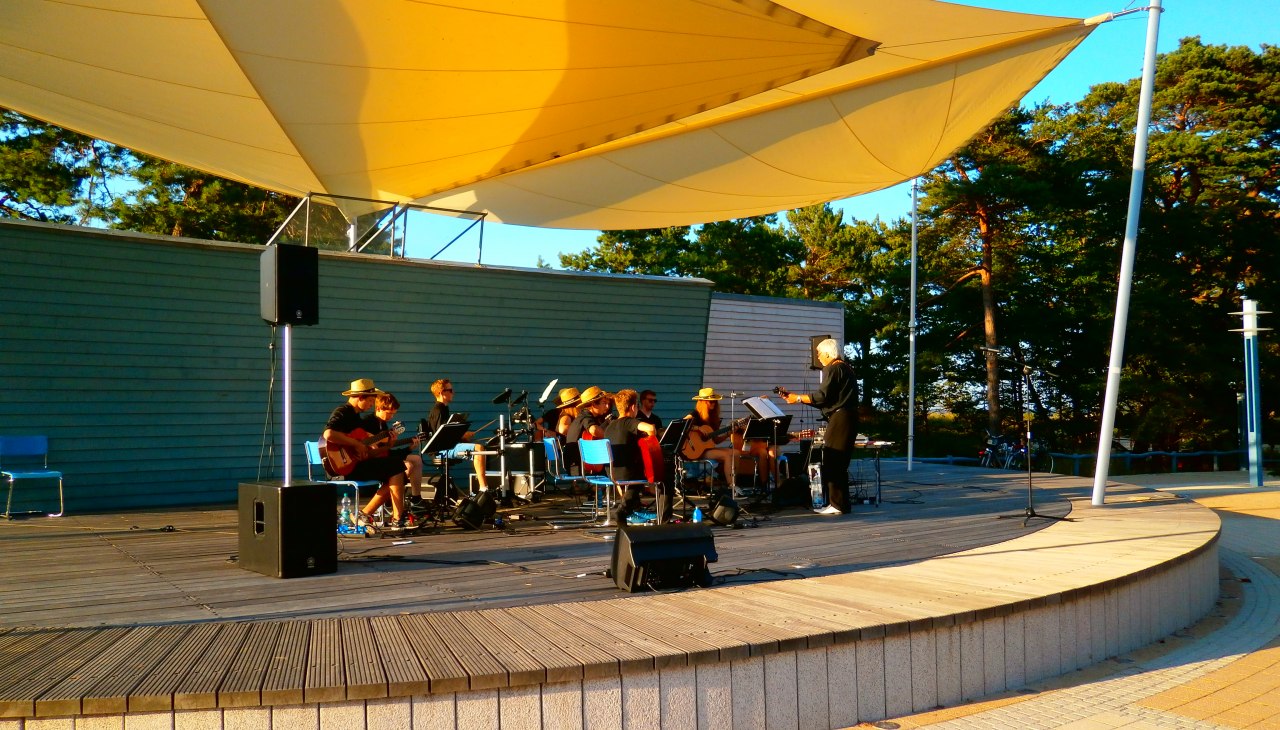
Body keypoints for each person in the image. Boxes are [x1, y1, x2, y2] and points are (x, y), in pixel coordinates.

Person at [322, 379, 409, 531]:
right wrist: (355, 444)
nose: (371, 405)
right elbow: (328, 434)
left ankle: (371, 514)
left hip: (354, 464)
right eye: (370, 400)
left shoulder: (358, 419)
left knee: (396, 467)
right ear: (360, 397)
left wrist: (388, 446)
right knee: (396, 466)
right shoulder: (343, 412)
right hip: (341, 467)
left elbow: (367, 452)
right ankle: (395, 519)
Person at [784, 338, 858, 515]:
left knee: (833, 460)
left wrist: (798, 398)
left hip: (840, 419)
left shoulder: (832, 368)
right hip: (847, 417)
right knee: (839, 462)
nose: (817, 357)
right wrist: (798, 399)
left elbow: (822, 396)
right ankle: (841, 503)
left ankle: (837, 505)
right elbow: (827, 399)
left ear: (827, 353)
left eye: (818, 353)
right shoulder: (845, 367)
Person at [604, 389, 659, 522]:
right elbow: (651, 428)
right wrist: (651, 438)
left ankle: (634, 510)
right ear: (633, 407)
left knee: (637, 468)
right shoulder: (629, 421)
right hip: (626, 473)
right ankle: (623, 510)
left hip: (610, 471)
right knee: (647, 472)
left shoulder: (610, 425)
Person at [424, 378, 481, 504]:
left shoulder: (444, 409)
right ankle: (483, 489)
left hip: (447, 447)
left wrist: (462, 436)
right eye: (450, 390)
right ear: (441, 392)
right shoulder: (438, 410)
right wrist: (462, 434)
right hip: (442, 450)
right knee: (479, 449)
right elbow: (442, 436)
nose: (453, 392)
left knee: (482, 449)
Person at [365, 393, 424, 510]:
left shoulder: (383, 424)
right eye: (389, 413)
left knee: (416, 459)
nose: (391, 417)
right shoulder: (368, 423)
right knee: (406, 466)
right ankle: (388, 499)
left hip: (384, 457)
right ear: (378, 408)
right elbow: (378, 450)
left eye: (393, 414)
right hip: (373, 460)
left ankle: (416, 499)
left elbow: (388, 450)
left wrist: (409, 448)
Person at [682, 387, 751, 484]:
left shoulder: (714, 418)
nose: (714, 404)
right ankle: (731, 486)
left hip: (706, 449)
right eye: (711, 401)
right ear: (702, 402)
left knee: (736, 453)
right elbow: (682, 424)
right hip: (694, 450)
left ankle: (733, 483)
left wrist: (728, 434)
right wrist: (698, 428)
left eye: (715, 401)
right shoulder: (695, 414)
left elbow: (715, 441)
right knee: (726, 455)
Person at [565, 386, 609, 475]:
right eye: (603, 403)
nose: (606, 406)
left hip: (574, 465)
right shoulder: (586, 417)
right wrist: (609, 437)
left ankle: (596, 488)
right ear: (593, 404)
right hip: (579, 467)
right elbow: (594, 430)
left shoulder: (581, 416)